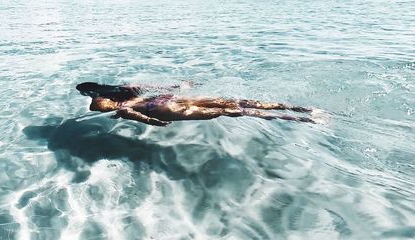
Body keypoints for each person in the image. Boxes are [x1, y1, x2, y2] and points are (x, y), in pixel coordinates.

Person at [76, 82, 315, 126]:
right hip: (171, 99)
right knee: (236, 102)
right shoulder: (123, 88)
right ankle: (300, 109)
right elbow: (152, 88)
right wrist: (180, 87)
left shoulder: (98, 101)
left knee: (233, 111)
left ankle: (303, 120)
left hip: (162, 109)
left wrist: (149, 120)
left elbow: (125, 110)